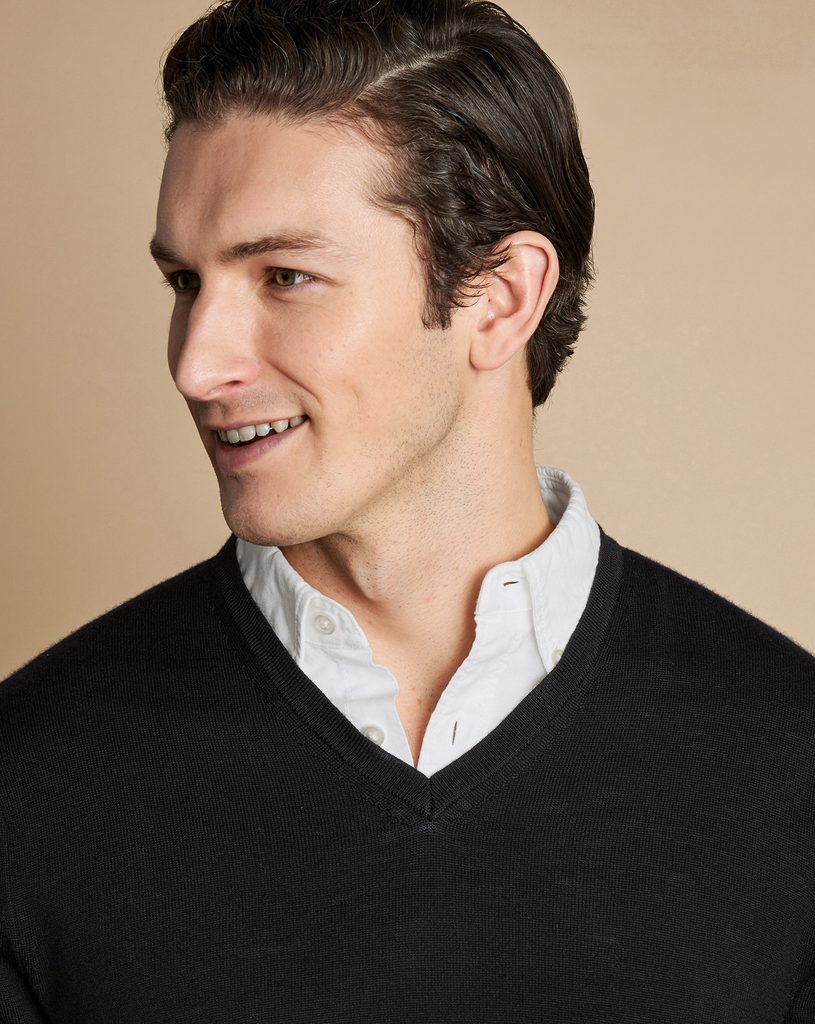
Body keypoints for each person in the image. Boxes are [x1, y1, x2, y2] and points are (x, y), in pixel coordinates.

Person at [1, 0, 813, 1020]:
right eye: (184, 281)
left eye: (285, 276)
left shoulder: (789, 764)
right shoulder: (29, 782)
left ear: (499, 297)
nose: (197, 365)